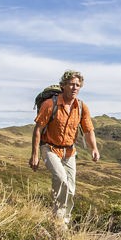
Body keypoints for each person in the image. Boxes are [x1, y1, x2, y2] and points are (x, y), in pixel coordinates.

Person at [30, 70, 100, 225]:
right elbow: (38, 129)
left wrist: (94, 148)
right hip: (49, 148)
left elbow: (88, 130)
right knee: (61, 179)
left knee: (71, 189)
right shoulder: (50, 104)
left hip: (69, 151)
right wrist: (35, 155)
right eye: (71, 84)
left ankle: (64, 223)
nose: (75, 88)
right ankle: (57, 221)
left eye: (78, 85)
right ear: (63, 86)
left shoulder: (81, 107)